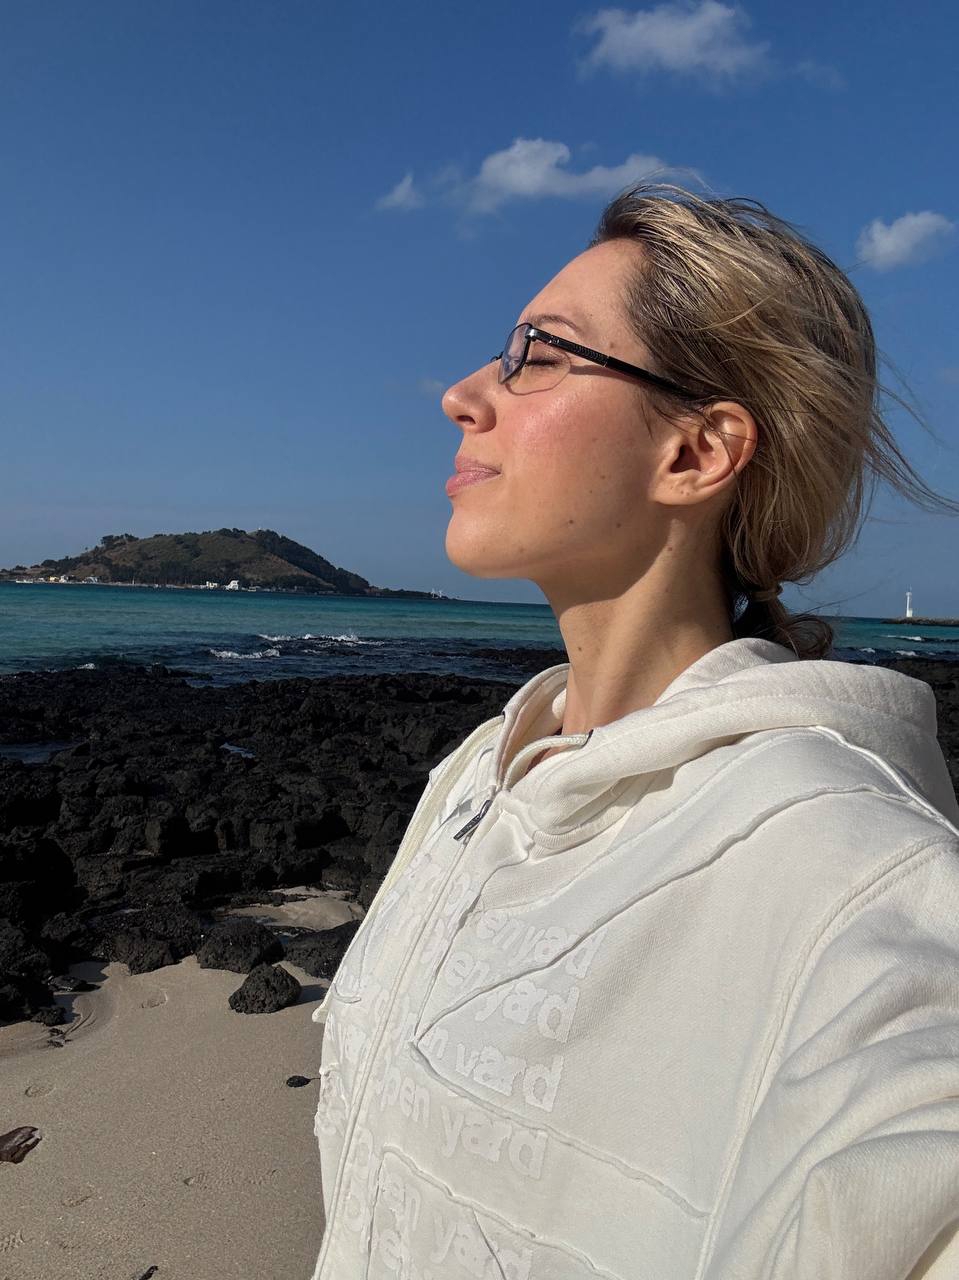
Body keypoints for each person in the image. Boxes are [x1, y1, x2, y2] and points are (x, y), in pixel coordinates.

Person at [309, 183, 959, 1279]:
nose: (463, 394)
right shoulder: (474, 781)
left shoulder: (850, 871)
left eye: (540, 354)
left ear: (695, 454)